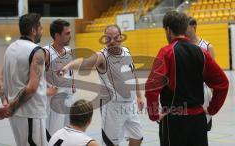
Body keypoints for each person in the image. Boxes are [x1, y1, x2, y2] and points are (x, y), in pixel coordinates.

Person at [145, 11, 229, 146]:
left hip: (174, 120)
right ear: (185, 28)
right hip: (198, 120)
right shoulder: (202, 52)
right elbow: (222, 83)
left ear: (168, 30)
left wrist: (153, 114)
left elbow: (151, 87)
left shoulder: (166, 52)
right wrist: (212, 108)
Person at [60, 24, 144, 146]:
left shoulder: (126, 52)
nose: (111, 41)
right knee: (111, 144)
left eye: (115, 38)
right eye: (108, 38)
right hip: (112, 108)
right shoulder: (102, 56)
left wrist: (139, 96)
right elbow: (85, 62)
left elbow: (133, 75)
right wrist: (68, 66)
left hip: (130, 106)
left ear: (121, 38)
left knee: (137, 138)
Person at [0, 13, 55, 146]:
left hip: (15, 114)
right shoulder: (37, 51)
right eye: (40, 28)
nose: (42, 31)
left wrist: (5, 103)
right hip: (30, 113)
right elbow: (32, 88)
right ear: (33, 30)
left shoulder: (10, 48)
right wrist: (10, 107)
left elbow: (1, 80)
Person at [44, 19, 76, 139]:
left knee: (67, 134)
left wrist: (72, 83)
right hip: (54, 102)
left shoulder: (68, 51)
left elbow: (70, 71)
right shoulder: (46, 53)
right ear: (57, 35)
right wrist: (45, 91)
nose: (70, 36)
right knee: (54, 137)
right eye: (67, 33)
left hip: (69, 99)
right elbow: (32, 75)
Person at [186, 16, 215, 131]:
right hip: (186, 93)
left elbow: (213, 74)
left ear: (194, 27)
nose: (184, 30)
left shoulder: (208, 47)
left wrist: (213, 96)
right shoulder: (182, 46)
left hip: (203, 93)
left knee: (203, 127)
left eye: (186, 27)